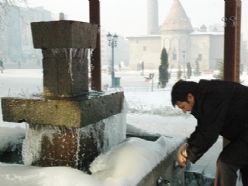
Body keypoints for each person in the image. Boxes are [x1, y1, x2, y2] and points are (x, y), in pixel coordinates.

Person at [171, 79, 248, 186]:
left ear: (190, 97)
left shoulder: (212, 96)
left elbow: (209, 133)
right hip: (243, 134)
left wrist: (188, 152)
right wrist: (189, 144)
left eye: (183, 107)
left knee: (226, 162)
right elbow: (204, 126)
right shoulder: (204, 97)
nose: (184, 111)